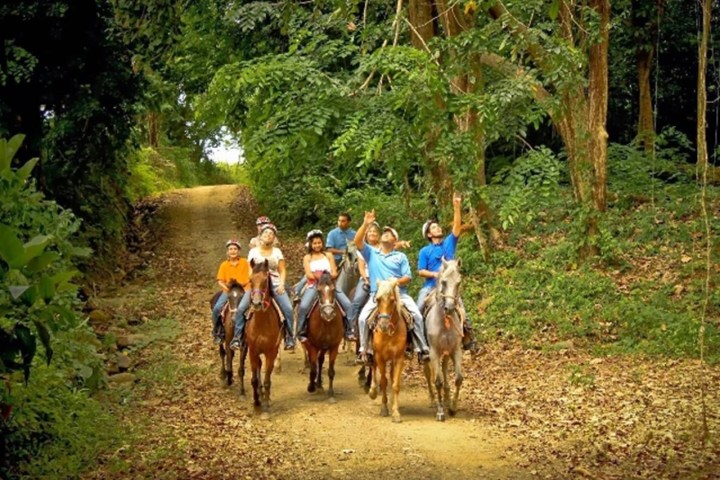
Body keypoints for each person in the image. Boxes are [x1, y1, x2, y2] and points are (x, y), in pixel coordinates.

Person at [355, 210, 430, 364]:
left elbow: (408, 276)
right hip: (377, 296)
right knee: (363, 319)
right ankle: (365, 350)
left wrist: (395, 282)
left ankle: (421, 348)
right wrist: (366, 224)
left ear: (395, 241)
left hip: (399, 295)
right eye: (384, 232)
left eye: (389, 233)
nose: (385, 234)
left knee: (416, 315)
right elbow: (357, 242)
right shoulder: (372, 253)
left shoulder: (400, 256)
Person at [417, 192, 477, 352]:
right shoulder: (425, 251)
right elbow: (421, 271)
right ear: (429, 234)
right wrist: (435, 274)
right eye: (434, 227)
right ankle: (420, 344)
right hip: (430, 287)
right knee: (418, 308)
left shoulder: (448, 243)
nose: (438, 228)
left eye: (438, 226)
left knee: (462, 309)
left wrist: (456, 206)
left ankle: (469, 340)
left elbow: (457, 227)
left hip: (449, 288)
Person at [230, 223, 296, 351]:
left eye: (271, 234)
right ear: (261, 236)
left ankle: (289, 338)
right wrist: (253, 281)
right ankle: (237, 337)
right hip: (257, 286)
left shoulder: (277, 252)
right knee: (241, 308)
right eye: (266, 233)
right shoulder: (253, 252)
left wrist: (282, 284)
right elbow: (250, 269)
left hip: (275, 284)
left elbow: (282, 270)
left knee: (288, 309)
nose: (268, 236)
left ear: (274, 238)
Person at [296, 229, 354, 342]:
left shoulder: (328, 255)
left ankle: (349, 329)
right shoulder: (307, 257)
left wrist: (328, 277)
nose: (317, 245)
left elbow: (334, 272)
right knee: (304, 306)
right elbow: (309, 274)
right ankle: (301, 330)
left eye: (319, 243)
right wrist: (321, 277)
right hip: (314, 285)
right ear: (311, 244)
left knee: (347, 304)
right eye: (314, 243)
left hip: (329, 284)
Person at [211, 239, 250, 344]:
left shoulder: (245, 262)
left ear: (239, 251)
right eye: (230, 249)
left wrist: (243, 284)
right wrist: (227, 289)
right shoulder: (224, 265)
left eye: (235, 249)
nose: (233, 251)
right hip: (229, 290)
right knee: (217, 308)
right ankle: (217, 331)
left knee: (251, 307)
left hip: (244, 289)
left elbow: (250, 277)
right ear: (227, 252)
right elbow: (220, 280)